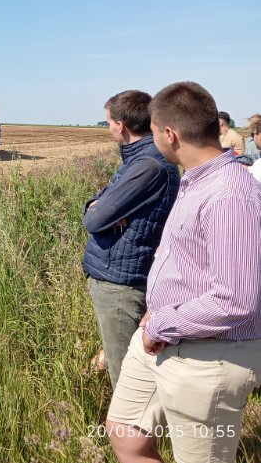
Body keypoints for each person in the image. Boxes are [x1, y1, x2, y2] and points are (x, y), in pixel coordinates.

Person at [106, 81, 261, 463]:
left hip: (207, 355)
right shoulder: (196, 180)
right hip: (163, 334)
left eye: (154, 131)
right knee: (126, 431)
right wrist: (157, 313)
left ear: (169, 134)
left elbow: (236, 299)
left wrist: (163, 323)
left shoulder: (230, 195)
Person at [82, 90, 180, 389]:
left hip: (122, 283)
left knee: (128, 380)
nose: (108, 127)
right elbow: (98, 203)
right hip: (119, 273)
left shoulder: (146, 166)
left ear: (121, 125)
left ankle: (131, 432)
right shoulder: (139, 160)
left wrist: (102, 211)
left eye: (109, 121)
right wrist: (101, 206)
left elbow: (94, 219)